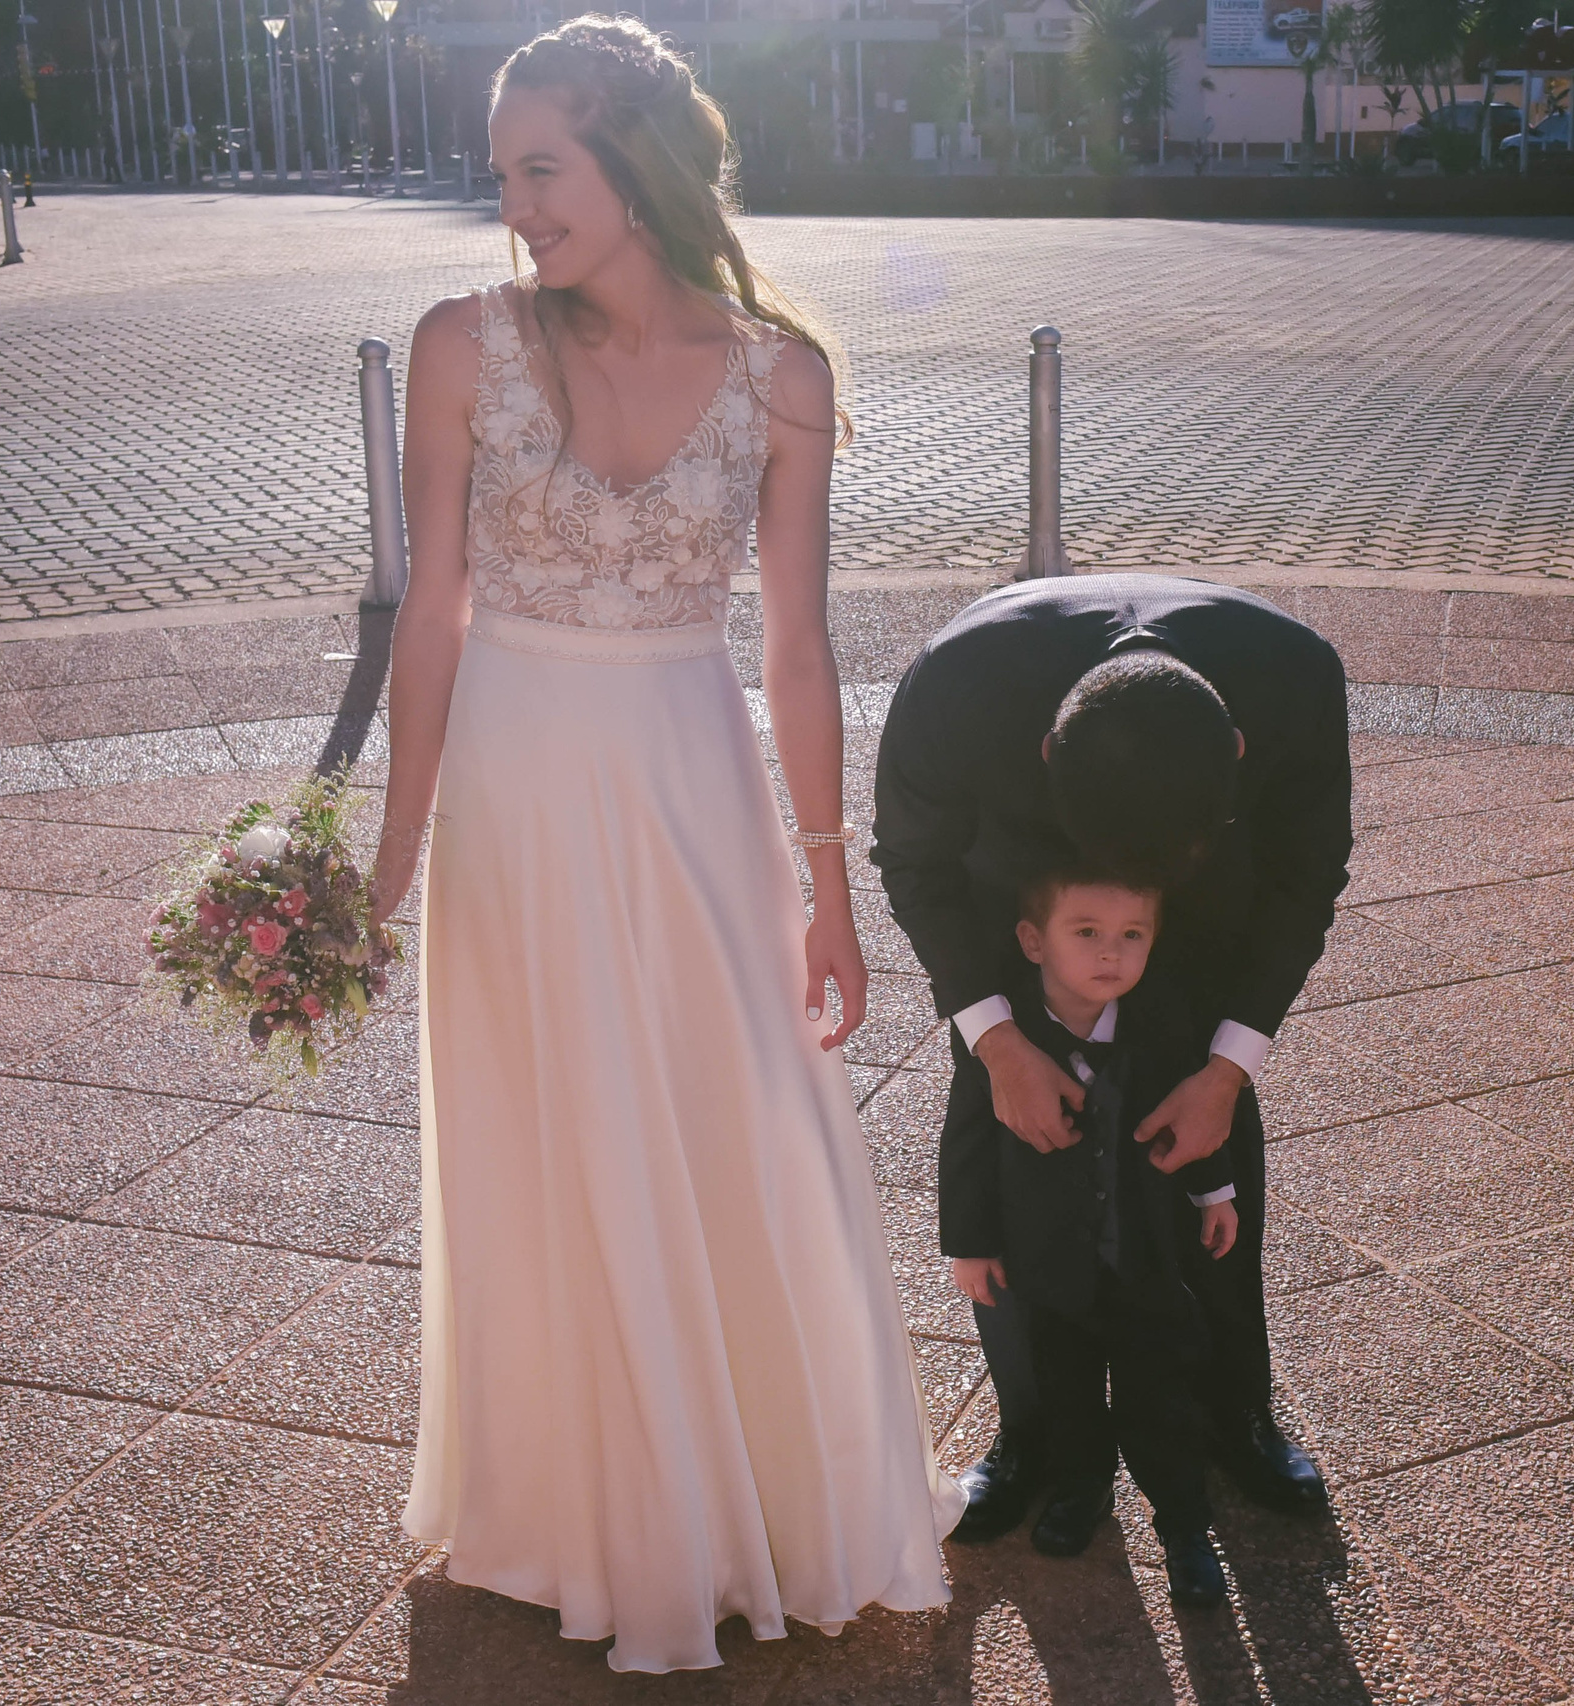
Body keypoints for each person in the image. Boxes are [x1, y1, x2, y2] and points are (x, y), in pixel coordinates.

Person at [365, 18, 959, 1675]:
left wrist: (833, 887)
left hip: (696, 779)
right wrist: (391, 861)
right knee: (545, 1127)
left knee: (728, 1106)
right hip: (518, 781)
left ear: (633, 158)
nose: (514, 207)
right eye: (502, 175)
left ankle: (749, 1491)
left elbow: (796, 652)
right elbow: (434, 609)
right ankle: (570, 1517)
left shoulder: (785, 376)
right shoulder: (458, 345)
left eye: (541, 168)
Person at [874, 574, 1354, 1540]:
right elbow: (913, 862)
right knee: (1010, 1142)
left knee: (1211, 1136)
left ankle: (1234, 1412)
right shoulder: (957, 685)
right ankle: (1035, 1433)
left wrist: (1225, 1069)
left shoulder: (1296, 680)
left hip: (1217, 901)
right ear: (1047, 753)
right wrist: (999, 1041)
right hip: (1020, 904)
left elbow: (1308, 877)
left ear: (1237, 750)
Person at [943, 868, 1240, 1605]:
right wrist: (971, 1244)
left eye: (1131, 936)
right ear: (1032, 941)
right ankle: (1081, 1493)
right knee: (1066, 1391)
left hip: (1141, 1259)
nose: (1112, 954)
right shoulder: (1002, 1046)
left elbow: (1195, 1115)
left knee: (1160, 1396)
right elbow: (968, 1145)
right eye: (1088, 934)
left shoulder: (1159, 1023)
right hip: (1050, 1265)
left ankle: (1183, 1526)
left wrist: (1216, 1191)